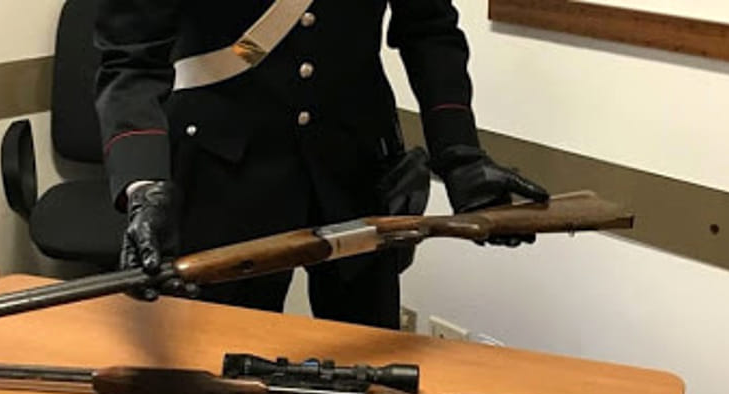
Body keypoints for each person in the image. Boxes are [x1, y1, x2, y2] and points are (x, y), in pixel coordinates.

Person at [94, 0, 548, 329]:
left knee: (370, 370)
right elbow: (131, 60)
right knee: (217, 370)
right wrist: (142, 183)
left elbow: (428, 28)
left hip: (355, 170)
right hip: (223, 171)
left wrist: (459, 153)